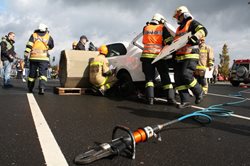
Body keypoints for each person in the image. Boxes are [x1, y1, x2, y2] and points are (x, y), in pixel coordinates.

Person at [173, 6, 208, 108]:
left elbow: (203, 30)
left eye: (178, 17)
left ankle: (199, 92)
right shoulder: (178, 29)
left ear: (183, 14)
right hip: (179, 57)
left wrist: (195, 37)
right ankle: (185, 101)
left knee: (186, 74)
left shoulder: (192, 23)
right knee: (178, 79)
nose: (177, 19)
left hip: (190, 54)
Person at [140, 13, 176, 105]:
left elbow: (147, 40)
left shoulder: (145, 28)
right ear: (160, 21)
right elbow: (169, 41)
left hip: (146, 56)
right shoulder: (162, 28)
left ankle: (150, 99)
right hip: (158, 56)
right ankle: (170, 99)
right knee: (165, 76)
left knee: (149, 79)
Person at [24, 23, 54, 94]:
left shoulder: (33, 35)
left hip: (33, 57)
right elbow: (51, 46)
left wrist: (26, 53)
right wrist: (46, 48)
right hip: (43, 58)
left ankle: (30, 88)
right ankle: (41, 89)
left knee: (32, 74)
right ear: (45, 29)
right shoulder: (48, 36)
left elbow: (29, 45)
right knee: (43, 74)